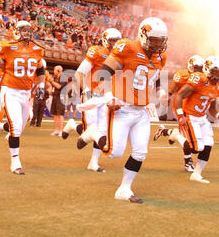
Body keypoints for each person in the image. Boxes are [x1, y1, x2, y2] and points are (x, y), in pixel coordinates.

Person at [77, 17, 169, 203]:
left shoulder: (161, 57)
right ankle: (93, 133)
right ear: (143, 35)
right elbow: (104, 72)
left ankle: (124, 189)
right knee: (113, 152)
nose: (158, 45)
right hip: (121, 107)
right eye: (155, 40)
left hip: (141, 111)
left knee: (140, 152)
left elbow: (155, 78)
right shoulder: (127, 47)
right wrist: (109, 95)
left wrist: (161, 91)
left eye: (161, 41)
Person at [0, 20, 45, 175]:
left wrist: (42, 86)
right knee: (16, 127)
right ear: (16, 31)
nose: (27, 33)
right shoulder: (8, 47)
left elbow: (40, 71)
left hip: (26, 93)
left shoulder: (37, 49)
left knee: (20, 127)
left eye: (29, 30)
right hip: (9, 90)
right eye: (24, 30)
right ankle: (15, 162)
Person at [154, 56, 219, 184]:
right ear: (207, 70)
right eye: (215, 71)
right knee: (196, 148)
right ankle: (175, 134)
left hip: (202, 118)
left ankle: (196, 174)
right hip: (190, 116)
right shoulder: (199, 79)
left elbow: (212, 108)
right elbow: (179, 94)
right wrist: (180, 115)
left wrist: (218, 115)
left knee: (209, 143)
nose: (218, 75)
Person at [62, 28, 122, 173]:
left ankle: (93, 162)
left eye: (117, 40)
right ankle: (71, 125)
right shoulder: (96, 52)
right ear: (105, 40)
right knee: (89, 130)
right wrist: (86, 89)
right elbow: (79, 73)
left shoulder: (121, 56)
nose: (115, 44)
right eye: (112, 40)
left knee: (102, 131)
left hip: (106, 97)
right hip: (92, 95)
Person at [153, 55, 204, 172]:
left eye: (201, 67)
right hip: (181, 108)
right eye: (197, 67)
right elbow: (172, 89)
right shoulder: (183, 74)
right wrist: (167, 96)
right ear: (191, 66)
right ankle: (188, 163)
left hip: (194, 109)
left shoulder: (203, 77)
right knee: (188, 140)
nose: (199, 70)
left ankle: (168, 132)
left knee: (186, 135)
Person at [48, 65, 67, 137]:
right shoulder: (55, 78)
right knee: (55, 114)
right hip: (55, 96)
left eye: (55, 70)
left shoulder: (63, 78)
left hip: (61, 97)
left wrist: (51, 81)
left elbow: (59, 86)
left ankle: (61, 131)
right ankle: (56, 130)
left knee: (60, 114)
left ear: (59, 70)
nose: (54, 71)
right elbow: (53, 87)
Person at [30, 59, 49, 127]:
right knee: (34, 109)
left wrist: (47, 93)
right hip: (33, 91)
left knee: (40, 109)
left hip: (40, 92)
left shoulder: (46, 73)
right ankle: (32, 122)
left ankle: (38, 124)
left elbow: (47, 84)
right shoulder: (33, 71)